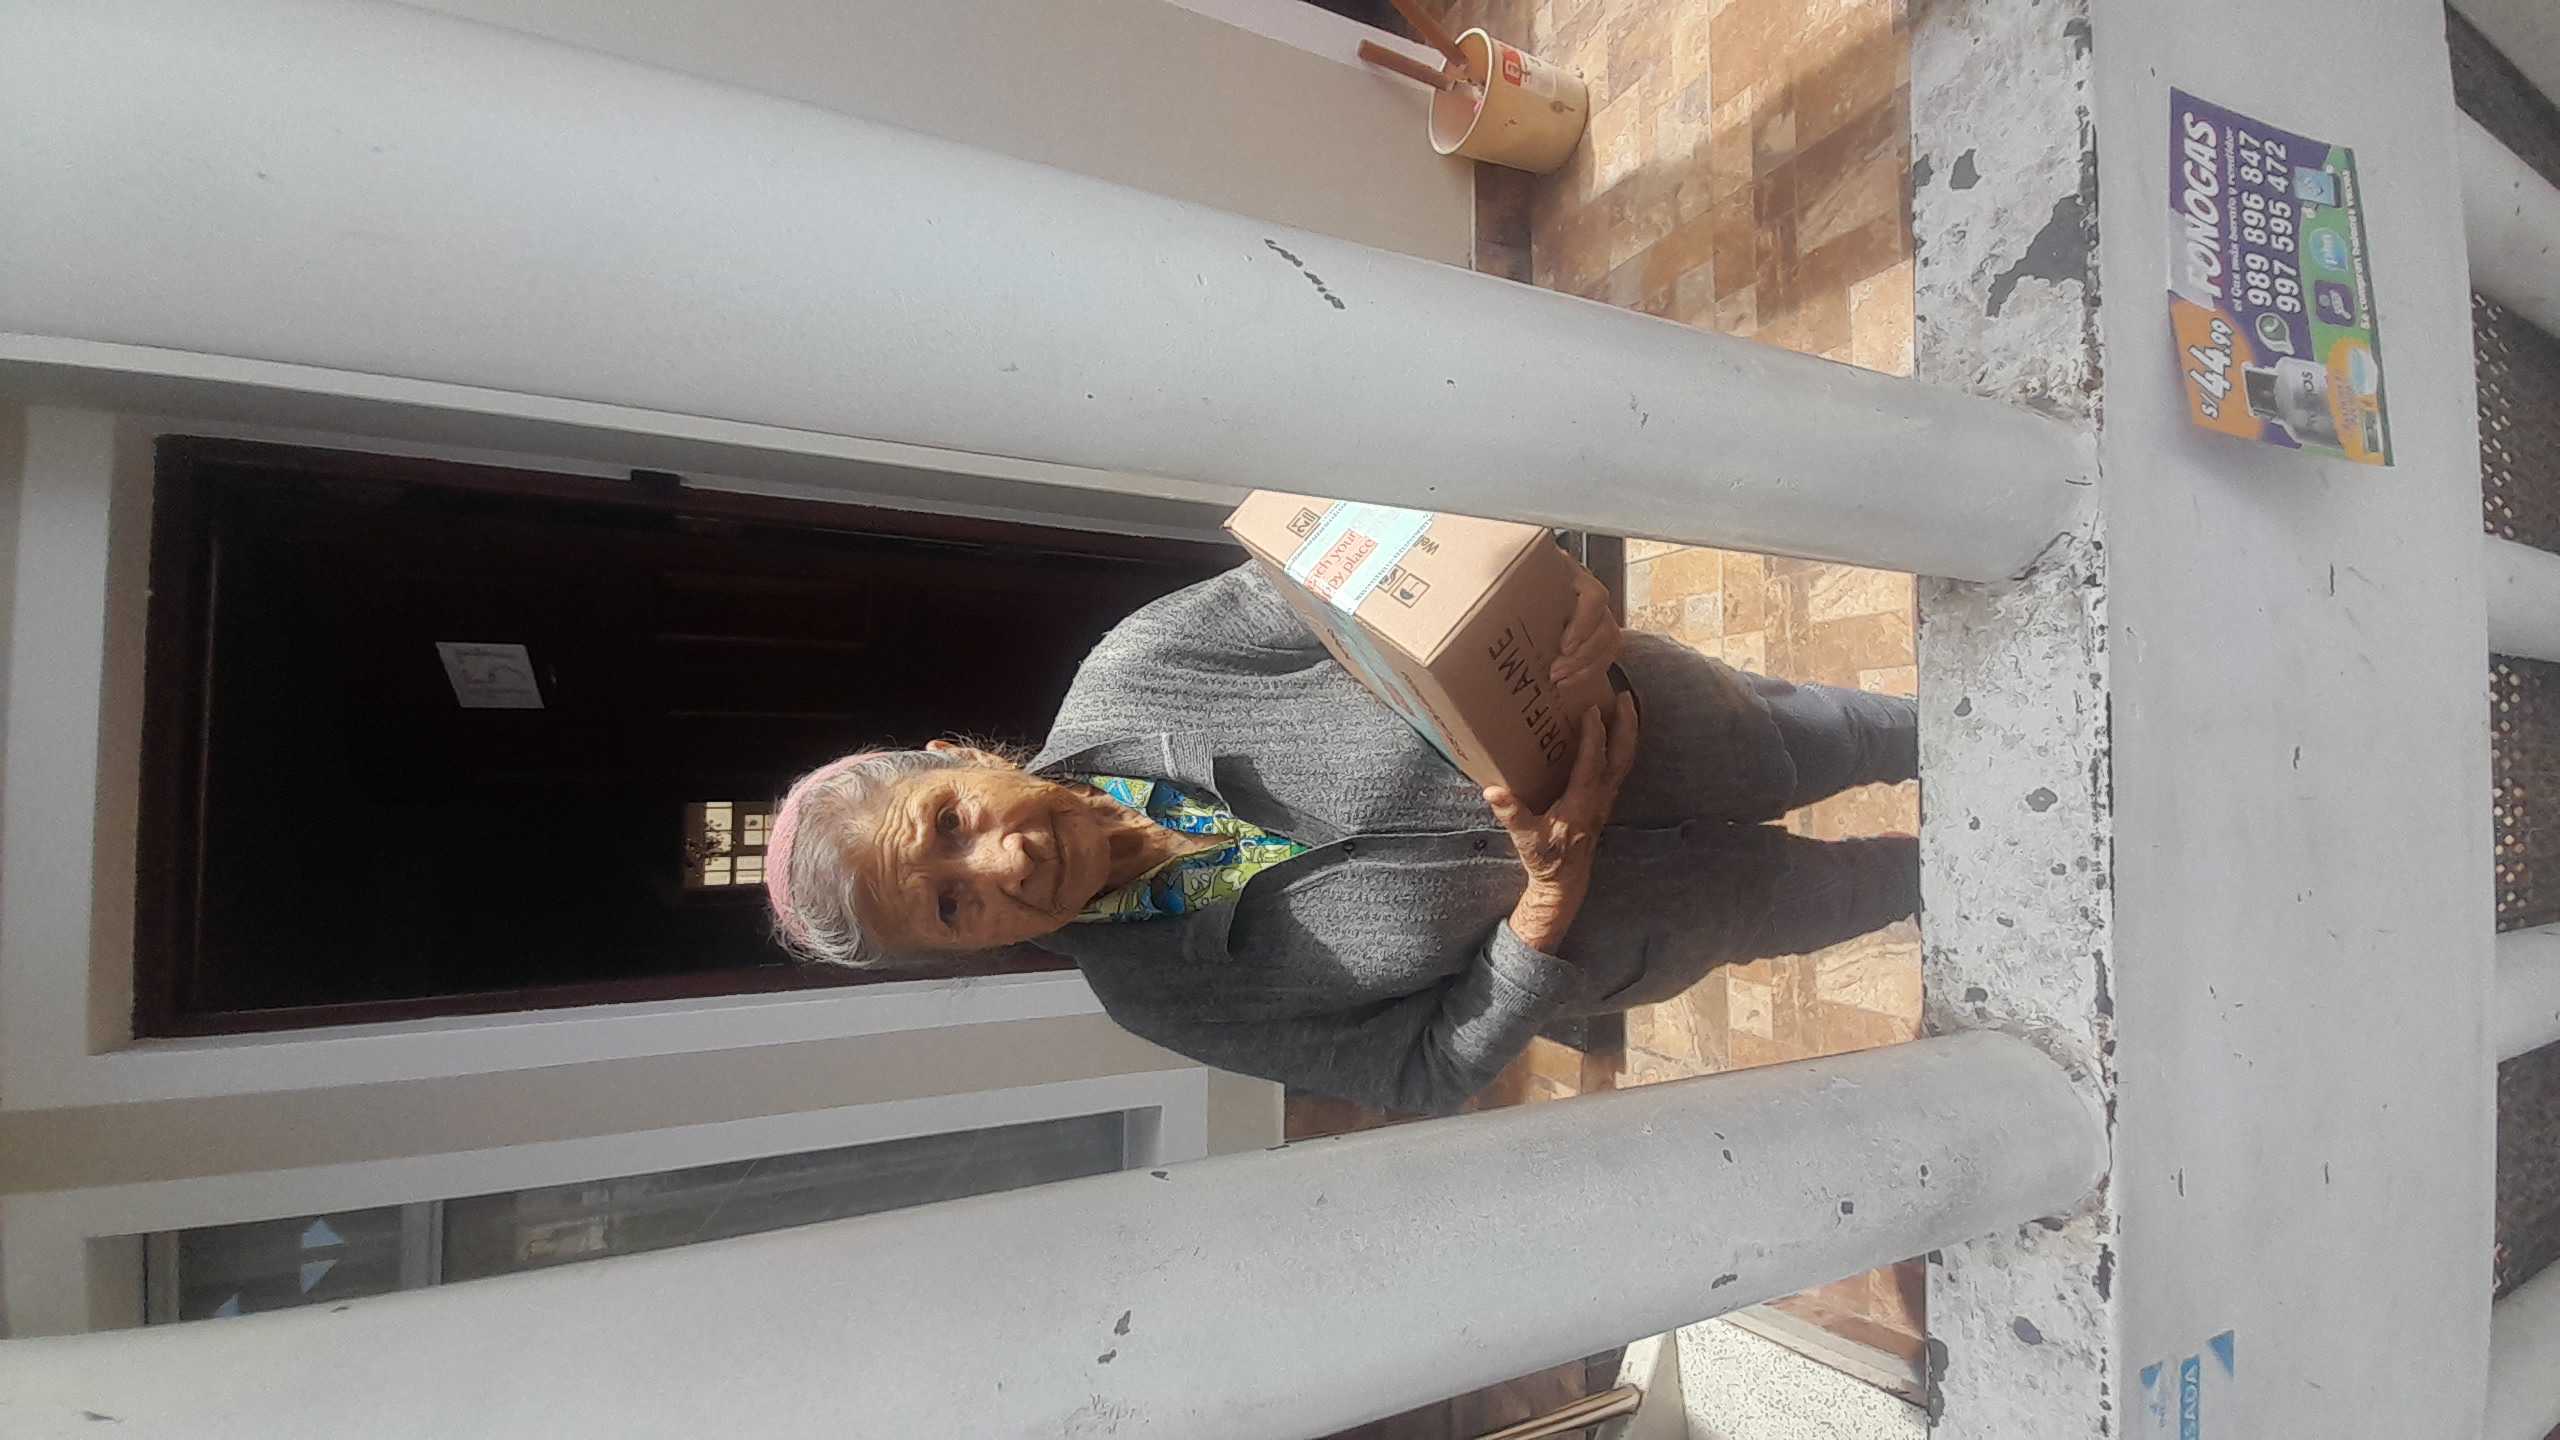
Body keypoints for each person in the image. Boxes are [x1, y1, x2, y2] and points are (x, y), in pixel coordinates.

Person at [764, 559, 1919, 1115]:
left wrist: (1552, 597)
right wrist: (1543, 914)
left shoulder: (1145, 665)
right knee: (1921, 887)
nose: (1000, 864)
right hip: (1673, 922)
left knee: (1906, 732)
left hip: (1668, 723)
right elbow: (1419, 1069)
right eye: (950, 903)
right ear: (965, 952)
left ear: (959, 752)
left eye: (950, 822)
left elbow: (1384, 571)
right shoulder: (1162, 999)